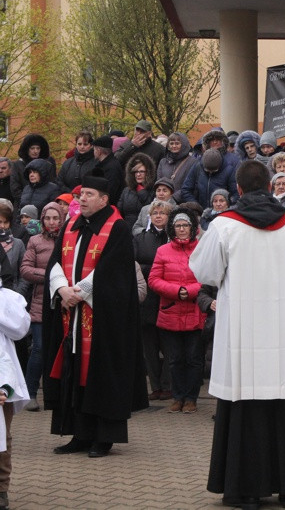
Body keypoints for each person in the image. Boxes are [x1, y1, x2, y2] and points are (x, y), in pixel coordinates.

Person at [189, 160, 285, 510]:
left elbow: (203, 269)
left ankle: (246, 491)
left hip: (242, 336)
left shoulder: (224, 226)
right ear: (271, 187)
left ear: (237, 190)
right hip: (283, 335)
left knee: (244, 409)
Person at [42, 170, 149, 458]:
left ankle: (104, 438)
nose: (82, 199)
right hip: (71, 315)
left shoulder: (118, 228)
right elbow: (55, 261)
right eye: (80, 195)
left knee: (101, 375)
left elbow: (114, 271)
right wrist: (61, 289)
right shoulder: (71, 224)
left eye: (89, 195)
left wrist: (79, 292)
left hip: (102, 318)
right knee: (74, 371)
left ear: (104, 199)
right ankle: (79, 434)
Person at [148, 207, 206, 415]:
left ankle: (191, 398)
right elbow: (153, 280)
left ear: (193, 227)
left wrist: (188, 291)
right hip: (170, 311)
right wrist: (176, 291)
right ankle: (178, 397)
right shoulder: (162, 251)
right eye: (178, 225)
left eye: (185, 225)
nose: (182, 229)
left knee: (193, 359)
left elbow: (208, 279)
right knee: (174, 359)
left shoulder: (201, 249)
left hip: (194, 311)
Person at [20, 202, 65, 412]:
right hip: (40, 302)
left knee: (60, 349)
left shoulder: (68, 240)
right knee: (38, 348)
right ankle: (29, 393)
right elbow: (26, 269)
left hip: (64, 302)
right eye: (48, 218)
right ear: (43, 220)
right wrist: (48, 276)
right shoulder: (34, 241)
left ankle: (56, 395)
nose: (52, 222)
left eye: (56, 218)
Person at [133, 200, 173, 402]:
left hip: (168, 298)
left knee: (168, 346)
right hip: (147, 299)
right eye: (155, 213)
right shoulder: (140, 238)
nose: (158, 216)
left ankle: (167, 385)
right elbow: (135, 265)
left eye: (162, 213)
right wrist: (154, 271)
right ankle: (155, 386)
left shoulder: (173, 238)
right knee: (149, 347)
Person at [0, 279, 32, 510]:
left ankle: (1, 489)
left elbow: (20, 329)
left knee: (1, 437)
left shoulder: (8, 298)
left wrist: (5, 388)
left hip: (3, 378)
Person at [11, 134, 57, 208]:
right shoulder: (18, 165)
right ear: (27, 149)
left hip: (43, 204)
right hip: (22, 205)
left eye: (38, 148)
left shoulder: (48, 164)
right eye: (32, 148)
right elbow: (15, 188)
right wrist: (27, 201)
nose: (35, 151)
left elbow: (53, 182)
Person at [118, 153, 156, 230]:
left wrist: (142, 191)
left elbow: (150, 209)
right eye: (135, 171)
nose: (138, 174)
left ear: (148, 172)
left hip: (144, 230)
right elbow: (120, 211)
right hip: (127, 229)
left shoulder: (154, 190)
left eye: (142, 171)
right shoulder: (126, 191)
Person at [157, 132, 198, 202]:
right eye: (171, 143)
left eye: (177, 143)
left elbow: (191, 183)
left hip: (183, 202)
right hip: (164, 202)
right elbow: (159, 181)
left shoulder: (193, 162)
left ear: (183, 145)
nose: (174, 146)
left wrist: (174, 198)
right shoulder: (163, 162)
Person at [92, 135, 125, 206]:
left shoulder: (111, 167)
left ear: (99, 151)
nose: (93, 152)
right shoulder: (106, 165)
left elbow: (110, 191)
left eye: (94, 149)